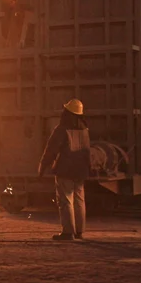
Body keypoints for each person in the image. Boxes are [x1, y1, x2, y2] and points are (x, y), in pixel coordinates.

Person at [38, 99, 91, 241]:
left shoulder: (62, 129)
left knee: (66, 200)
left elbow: (51, 150)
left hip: (65, 170)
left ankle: (68, 232)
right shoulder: (85, 130)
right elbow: (87, 151)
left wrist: (42, 166)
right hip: (80, 171)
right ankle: (79, 231)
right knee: (79, 200)